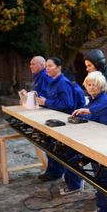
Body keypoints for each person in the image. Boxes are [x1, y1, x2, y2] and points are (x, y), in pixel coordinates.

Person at [72, 72, 107, 212]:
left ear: (101, 86)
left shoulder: (103, 101)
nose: (91, 88)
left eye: (95, 85)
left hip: (104, 144)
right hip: (95, 143)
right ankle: (103, 202)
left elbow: (104, 125)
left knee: (104, 177)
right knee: (99, 175)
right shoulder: (92, 100)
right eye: (89, 84)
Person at [35, 57, 81, 188]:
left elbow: (68, 104)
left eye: (50, 66)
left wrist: (47, 102)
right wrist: (44, 100)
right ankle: (53, 172)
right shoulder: (53, 82)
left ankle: (72, 183)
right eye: (46, 66)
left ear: (59, 68)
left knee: (65, 153)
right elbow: (53, 100)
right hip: (54, 121)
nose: (47, 68)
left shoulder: (63, 83)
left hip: (64, 124)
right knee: (51, 147)